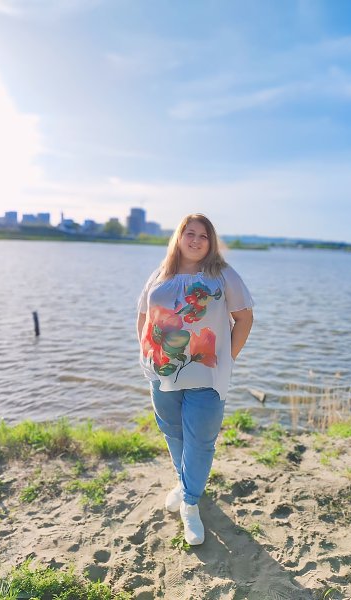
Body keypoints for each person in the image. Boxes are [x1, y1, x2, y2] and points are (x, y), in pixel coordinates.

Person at [137, 213, 253, 545]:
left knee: (200, 442)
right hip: (162, 372)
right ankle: (186, 483)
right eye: (190, 233)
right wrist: (145, 352)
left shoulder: (222, 275)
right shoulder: (161, 273)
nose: (196, 240)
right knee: (173, 433)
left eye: (203, 236)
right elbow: (143, 315)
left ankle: (190, 504)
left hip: (207, 375)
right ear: (179, 237)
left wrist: (228, 358)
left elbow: (244, 318)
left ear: (211, 242)